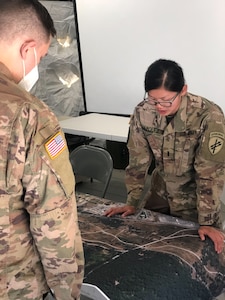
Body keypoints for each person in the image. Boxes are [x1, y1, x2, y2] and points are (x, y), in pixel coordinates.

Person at [0, 1, 84, 299]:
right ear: (28, 49)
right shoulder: (28, 114)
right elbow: (53, 217)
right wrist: (66, 292)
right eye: (42, 57)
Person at [105, 59, 225, 254]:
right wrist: (132, 202)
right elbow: (138, 160)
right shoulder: (143, 112)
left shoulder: (208, 116)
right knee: (142, 248)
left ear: (183, 90)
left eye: (167, 100)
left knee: (197, 258)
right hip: (159, 194)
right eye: (153, 99)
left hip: (195, 202)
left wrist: (208, 222)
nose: (159, 106)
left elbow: (209, 175)